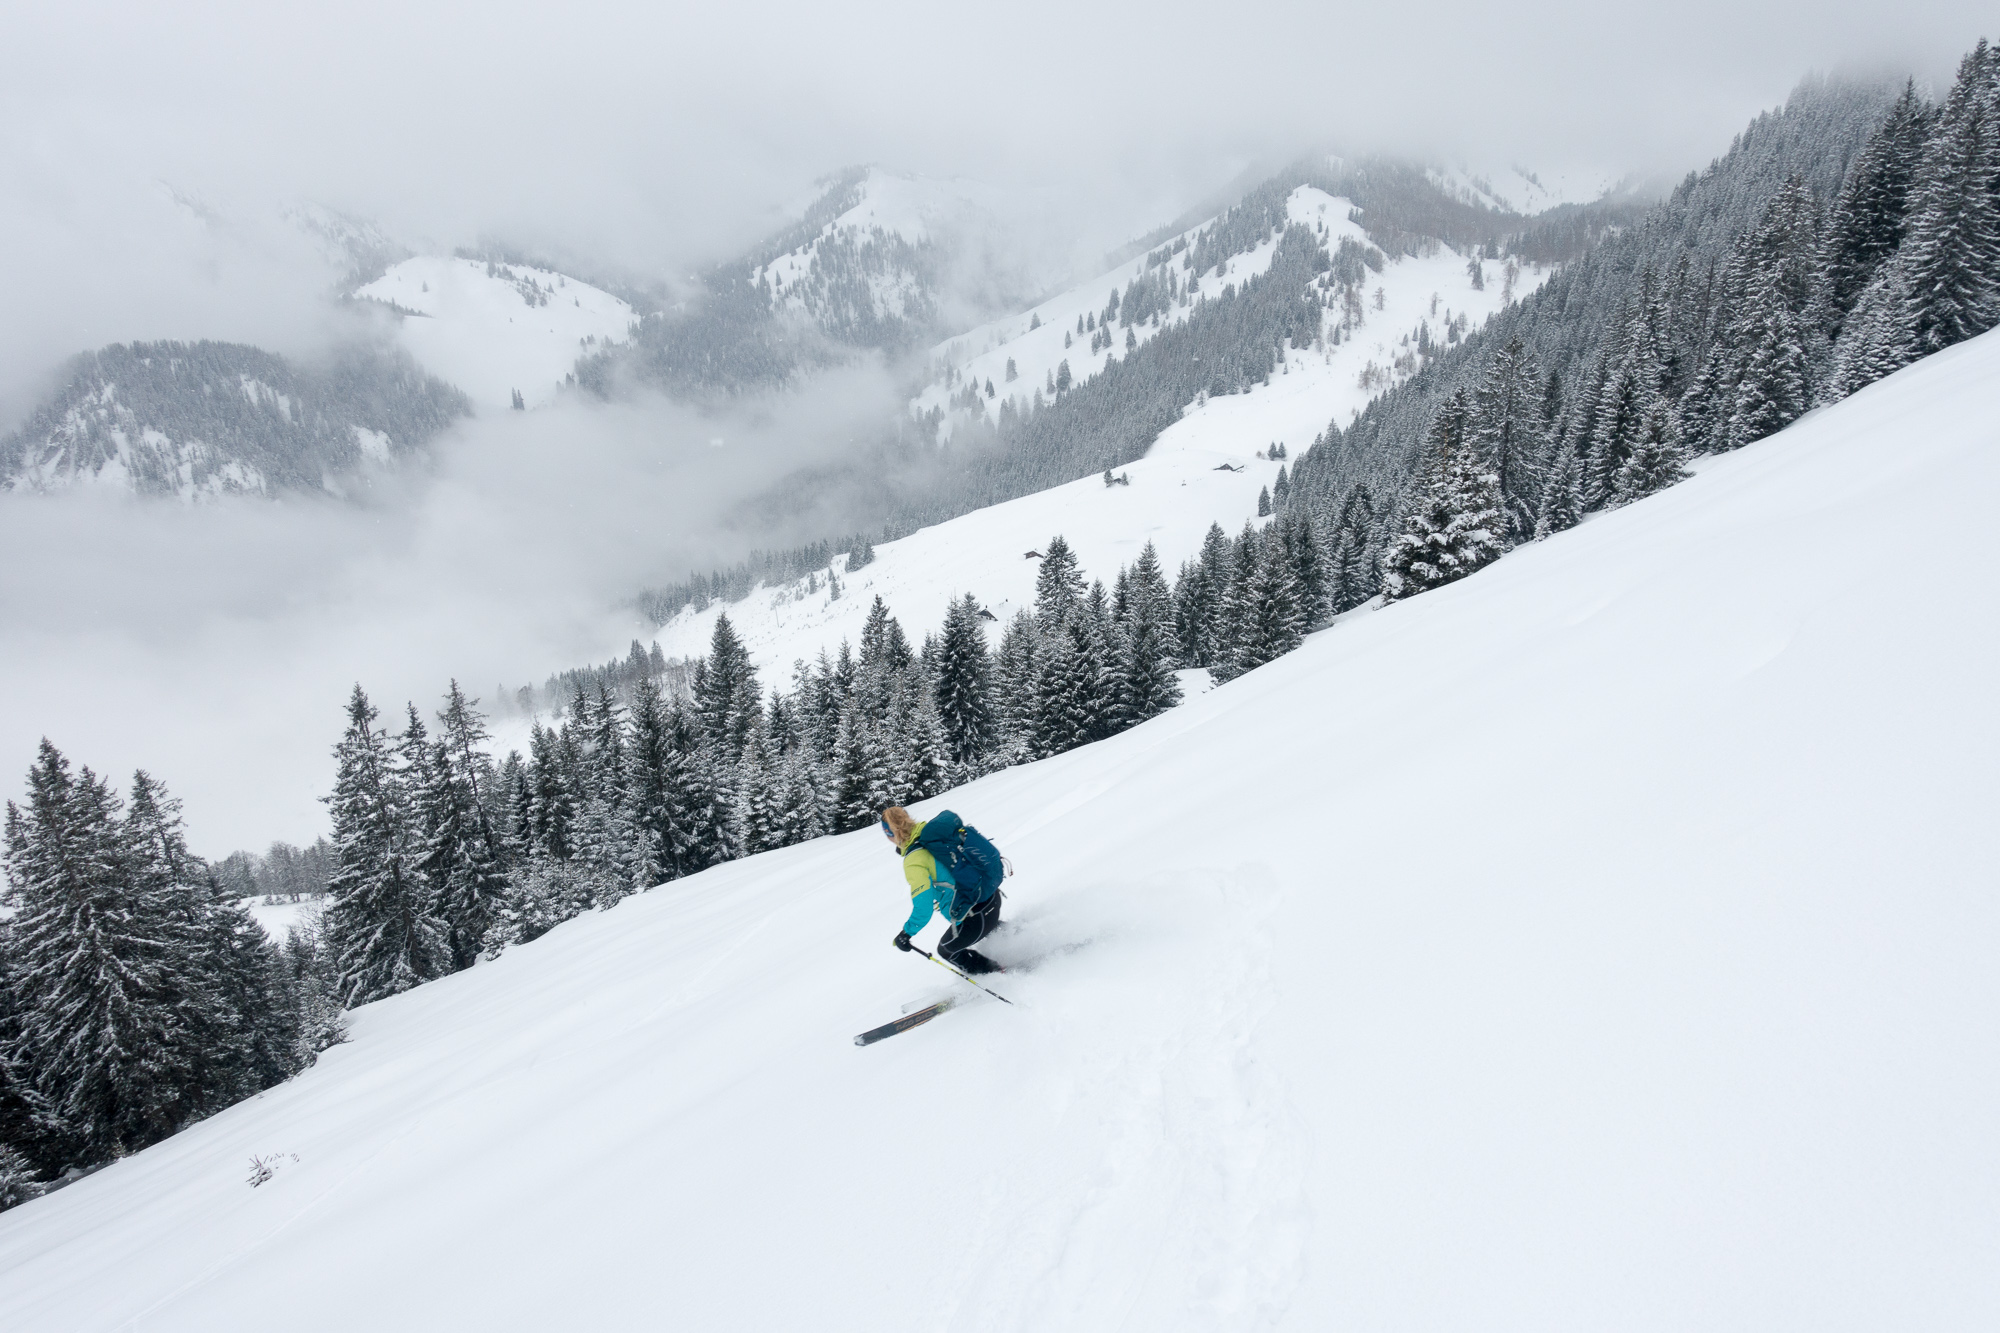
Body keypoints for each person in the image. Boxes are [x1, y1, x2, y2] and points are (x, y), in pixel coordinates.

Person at [882, 805, 1004, 975]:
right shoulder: (932, 835)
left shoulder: (914, 861)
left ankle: (996, 975)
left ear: (890, 834)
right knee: (993, 928)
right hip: (991, 897)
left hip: (975, 917)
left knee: (947, 950)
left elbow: (923, 908)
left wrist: (906, 933)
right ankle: (1026, 936)